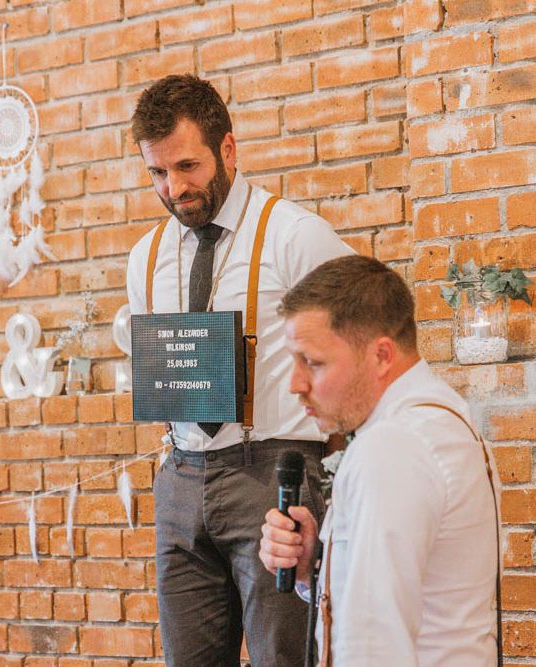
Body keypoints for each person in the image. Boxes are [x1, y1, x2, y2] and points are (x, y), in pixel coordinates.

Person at [126, 74, 352, 667]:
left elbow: (358, 353)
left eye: (187, 166)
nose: (175, 188)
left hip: (272, 474)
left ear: (227, 149)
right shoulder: (145, 258)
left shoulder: (295, 236)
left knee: (284, 658)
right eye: (157, 172)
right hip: (180, 478)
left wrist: (336, 471)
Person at [259, 254, 501, 666]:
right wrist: (317, 565)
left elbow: (373, 644)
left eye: (312, 362)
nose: (295, 384)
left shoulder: (394, 446)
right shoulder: (442, 419)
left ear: (381, 355)